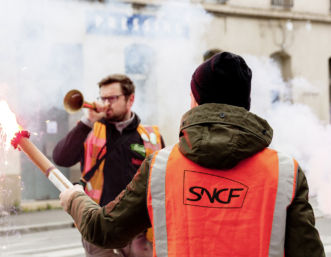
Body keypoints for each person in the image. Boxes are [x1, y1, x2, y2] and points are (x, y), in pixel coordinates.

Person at [59, 52, 325, 257]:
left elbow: (104, 230)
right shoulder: (286, 172)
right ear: (246, 102)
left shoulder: (161, 166)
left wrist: (74, 199)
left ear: (196, 100)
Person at [53, 74, 164, 257]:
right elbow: (61, 158)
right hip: (98, 226)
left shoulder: (151, 135)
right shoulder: (90, 129)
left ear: (130, 99)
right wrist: (88, 120)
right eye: (102, 98)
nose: (106, 103)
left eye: (112, 98)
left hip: (141, 231)